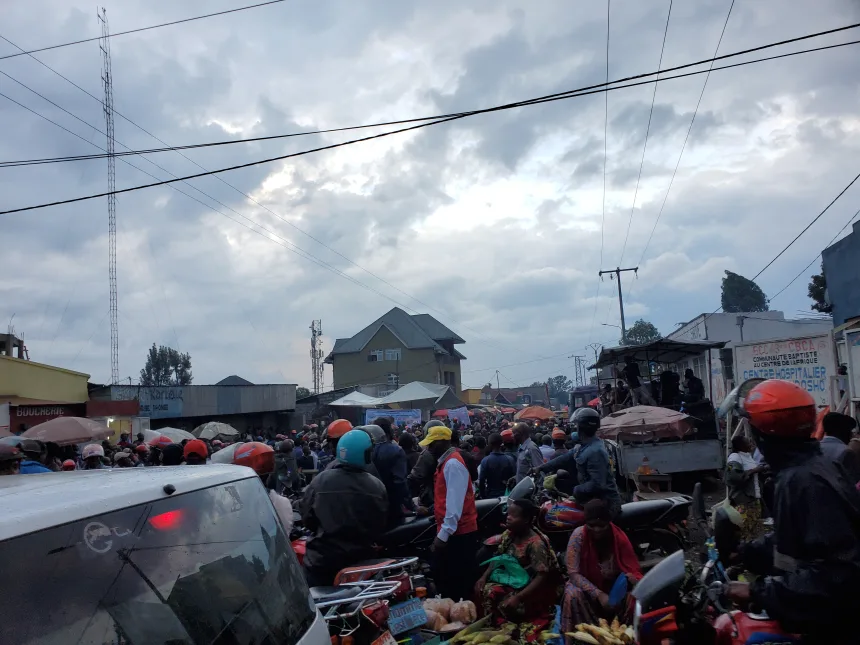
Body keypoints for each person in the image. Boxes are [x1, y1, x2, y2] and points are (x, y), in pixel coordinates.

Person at [725, 379, 860, 643]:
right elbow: (794, 540)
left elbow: (837, 574)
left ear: (762, 434)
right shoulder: (811, 466)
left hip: (835, 628)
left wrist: (758, 591)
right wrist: (746, 553)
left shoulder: (803, 481)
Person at [300, 429, 388, 586]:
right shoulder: (376, 486)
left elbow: (307, 518)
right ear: (366, 454)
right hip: (361, 560)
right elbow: (379, 525)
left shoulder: (320, 480)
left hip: (322, 560)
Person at [476, 499, 561, 636]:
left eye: (513, 516)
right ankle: (494, 625)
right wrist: (483, 577)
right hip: (514, 581)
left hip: (532, 590)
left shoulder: (536, 544)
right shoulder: (509, 535)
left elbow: (542, 576)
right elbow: (499, 557)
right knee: (483, 588)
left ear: (526, 520)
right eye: (508, 514)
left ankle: (503, 627)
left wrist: (519, 598)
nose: (508, 518)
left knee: (492, 593)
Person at [562, 499, 642, 635]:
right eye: (592, 525)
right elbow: (573, 573)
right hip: (586, 585)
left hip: (614, 587)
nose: (597, 530)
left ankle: (624, 635)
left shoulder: (619, 538)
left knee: (635, 597)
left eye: (601, 525)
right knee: (572, 595)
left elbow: (632, 568)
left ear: (608, 523)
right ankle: (583, 636)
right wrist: (598, 594)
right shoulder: (578, 536)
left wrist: (631, 579)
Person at [420, 423, 479, 600]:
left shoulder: (452, 463)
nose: (429, 448)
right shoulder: (447, 462)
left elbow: (455, 504)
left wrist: (443, 535)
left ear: (442, 443)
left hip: (459, 532)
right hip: (453, 529)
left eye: (432, 444)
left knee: (455, 579)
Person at [368, 418, 417, 526]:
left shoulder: (368, 450)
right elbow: (400, 482)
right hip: (392, 507)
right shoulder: (395, 450)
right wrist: (412, 506)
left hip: (371, 507)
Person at [726, 435, 766, 540]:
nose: (750, 444)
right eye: (747, 442)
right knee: (744, 530)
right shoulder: (734, 458)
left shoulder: (747, 456)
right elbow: (733, 477)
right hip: (743, 501)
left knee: (753, 529)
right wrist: (754, 470)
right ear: (740, 445)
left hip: (753, 499)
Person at [408, 420, 446, 506]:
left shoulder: (426, 455)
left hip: (431, 499)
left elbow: (413, 478)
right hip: (445, 498)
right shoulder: (452, 453)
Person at [820, 411, 860, 483]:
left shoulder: (815, 448)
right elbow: (853, 483)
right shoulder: (846, 452)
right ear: (843, 431)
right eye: (849, 431)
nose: (851, 434)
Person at [479, 432, 516, 498]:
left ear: (489, 444)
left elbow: (481, 481)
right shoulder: (510, 459)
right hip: (507, 494)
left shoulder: (485, 461)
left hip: (490, 495)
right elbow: (515, 477)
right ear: (501, 443)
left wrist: (483, 496)